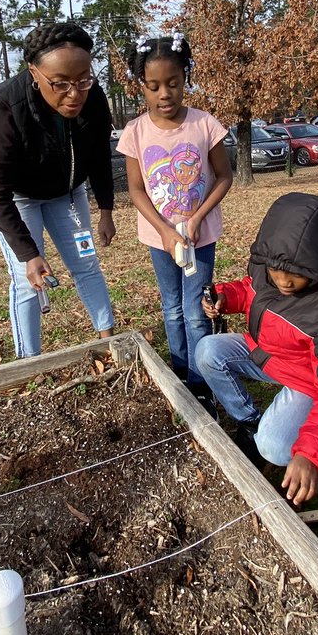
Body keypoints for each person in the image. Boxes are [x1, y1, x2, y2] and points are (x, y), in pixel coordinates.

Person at [196, 192, 318, 506]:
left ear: (317, 264)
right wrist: (225, 297)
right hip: (264, 354)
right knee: (208, 351)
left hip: (307, 381)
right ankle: (249, 419)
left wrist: (311, 455)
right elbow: (250, 290)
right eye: (277, 273)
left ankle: (278, 433)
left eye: (296, 275)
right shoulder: (269, 268)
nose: (284, 283)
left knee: (274, 447)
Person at [0, 22, 116, 358]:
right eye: (60, 84)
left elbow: (99, 156)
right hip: (17, 198)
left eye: (83, 79)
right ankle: (29, 361)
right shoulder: (4, 110)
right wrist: (29, 253)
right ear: (34, 73)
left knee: (86, 264)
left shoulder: (93, 99)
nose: (74, 94)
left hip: (67, 195)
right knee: (28, 280)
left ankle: (110, 342)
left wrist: (106, 209)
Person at [116, 33, 233, 398]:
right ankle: (181, 375)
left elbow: (224, 176)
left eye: (173, 83)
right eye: (153, 86)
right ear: (142, 87)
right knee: (171, 309)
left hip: (200, 235)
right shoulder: (135, 131)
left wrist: (196, 218)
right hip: (159, 238)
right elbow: (136, 189)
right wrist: (164, 232)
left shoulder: (204, 125)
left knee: (196, 310)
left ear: (185, 79)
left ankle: (202, 383)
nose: (164, 93)